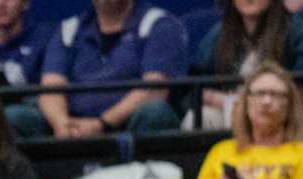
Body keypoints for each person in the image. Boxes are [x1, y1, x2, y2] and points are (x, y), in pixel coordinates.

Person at [19, 0, 188, 138]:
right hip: (71, 126)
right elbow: (51, 87)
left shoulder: (159, 24)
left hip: (126, 126)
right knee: (17, 117)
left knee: (155, 113)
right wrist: (62, 124)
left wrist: (102, 123)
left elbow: (154, 90)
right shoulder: (69, 29)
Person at [191, 0, 303, 129]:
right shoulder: (219, 33)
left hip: (279, 112)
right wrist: (215, 98)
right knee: (197, 117)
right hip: (230, 111)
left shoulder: (296, 29)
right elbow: (193, 85)